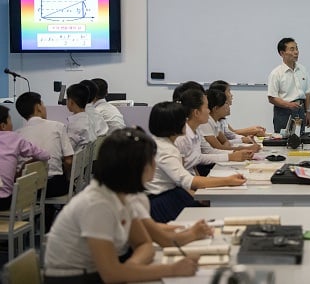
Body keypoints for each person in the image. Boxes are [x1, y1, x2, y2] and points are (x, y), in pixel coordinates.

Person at [43, 128, 198, 283]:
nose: (155, 164)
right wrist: (170, 270)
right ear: (136, 167)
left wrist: (130, 268)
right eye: (151, 159)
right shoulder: (97, 204)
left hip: (97, 272)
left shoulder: (124, 195)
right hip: (76, 278)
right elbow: (111, 275)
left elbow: (144, 243)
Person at [145, 101, 246, 223]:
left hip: (172, 193)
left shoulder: (165, 144)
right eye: (183, 119)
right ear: (174, 124)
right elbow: (187, 180)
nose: (186, 122)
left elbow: (185, 173)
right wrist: (227, 181)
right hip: (163, 200)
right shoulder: (165, 150)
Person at [15, 92, 74, 200]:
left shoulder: (16, 135)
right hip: (54, 187)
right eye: (43, 105)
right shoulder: (58, 126)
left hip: (27, 189)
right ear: (38, 108)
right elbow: (69, 161)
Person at [0, 105, 50, 211]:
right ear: (3, 126)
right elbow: (44, 155)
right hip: (4, 200)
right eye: (10, 120)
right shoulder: (14, 138)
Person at [267, 37, 310, 134]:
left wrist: (307, 112)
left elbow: (307, 92)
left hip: (300, 110)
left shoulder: (302, 69)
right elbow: (272, 98)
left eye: (297, 48)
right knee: (283, 141)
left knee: (300, 139)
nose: (296, 52)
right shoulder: (276, 73)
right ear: (282, 53)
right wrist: (288, 105)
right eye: (292, 49)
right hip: (284, 112)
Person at [198, 89, 260, 154]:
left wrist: (225, 146)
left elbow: (225, 141)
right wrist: (246, 148)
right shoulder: (206, 123)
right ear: (215, 108)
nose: (228, 106)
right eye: (226, 103)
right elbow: (218, 148)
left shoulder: (215, 122)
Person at [65, 83, 97, 155]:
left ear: (71, 102)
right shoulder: (89, 120)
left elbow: (67, 149)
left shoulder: (75, 125)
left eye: (67, 98)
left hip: (73, 163)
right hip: (84, 162)